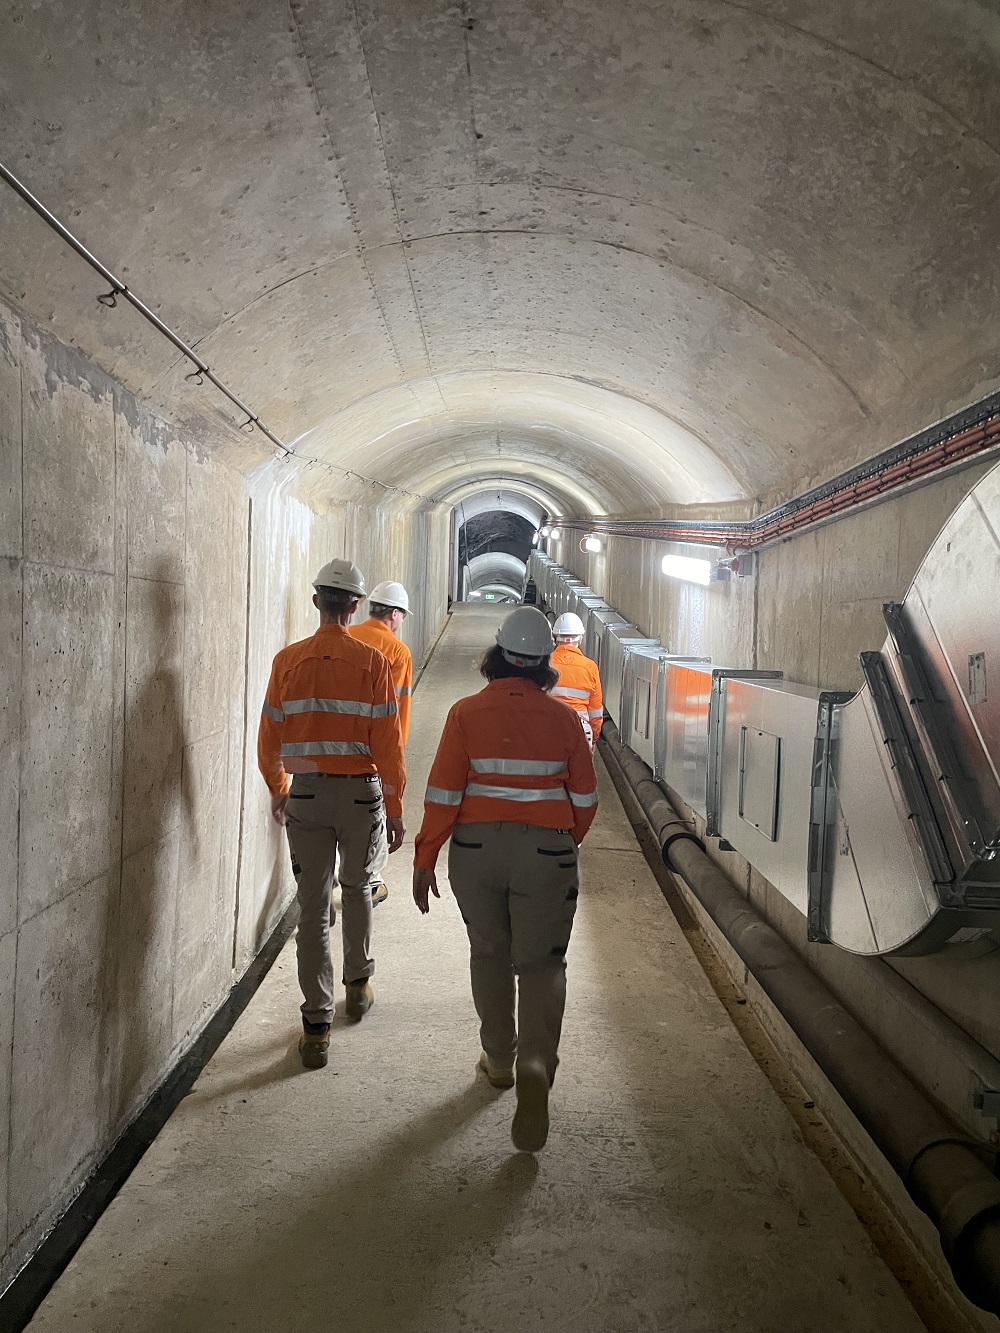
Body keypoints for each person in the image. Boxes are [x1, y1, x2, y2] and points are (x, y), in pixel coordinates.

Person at [412, 607, 598, 1153]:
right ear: (545, 663)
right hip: (546, 852)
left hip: (476, 853)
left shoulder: (464, 714)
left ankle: (499, 1059)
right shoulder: (565, 720)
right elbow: (584, 802)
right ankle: (536, 1061)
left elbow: (443, 792)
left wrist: (426, 856)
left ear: (497, 654)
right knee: (542, 962)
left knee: (489, 953)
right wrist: (562, 845)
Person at [258, 558, 406, 1070]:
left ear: (317, 600)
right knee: (359, 886)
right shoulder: (374, 662)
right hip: (361, 795)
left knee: (313, 907)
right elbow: (388, 741)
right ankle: (358, 986)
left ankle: (316, 1025)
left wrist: (281, 788)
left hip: (308, 797)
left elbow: (270, 736)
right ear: (358, 605)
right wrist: (397, 804)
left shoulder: (286, 661)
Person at [349, 580, 414, 907]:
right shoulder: (397, 651)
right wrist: (395, 779)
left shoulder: (348, 636)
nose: (401, 623)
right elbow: (396, 718)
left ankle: (335, 882)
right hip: (371, 757)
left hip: (334, 751)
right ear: (393, 613)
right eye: (402, 615)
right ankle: (369, 885)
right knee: (370, 827)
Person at [550, 612, 604, 747]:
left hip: (549, 727)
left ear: (556, 638)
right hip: (580, 729)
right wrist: (593, 737)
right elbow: (595, 711)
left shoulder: (543, 664)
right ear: (580, 640)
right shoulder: (590, 667)